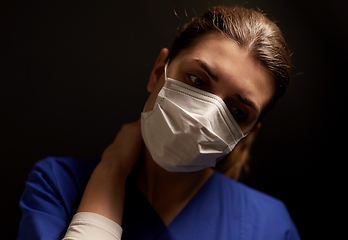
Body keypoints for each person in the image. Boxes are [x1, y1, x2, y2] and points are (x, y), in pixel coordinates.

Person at [17, 6, 300, 240]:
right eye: (198, 81)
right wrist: (110, 173)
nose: (205, 115)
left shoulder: (269, 227)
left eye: (237, 112)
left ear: (248, 134)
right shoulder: (59, 185)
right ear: (158, 72)